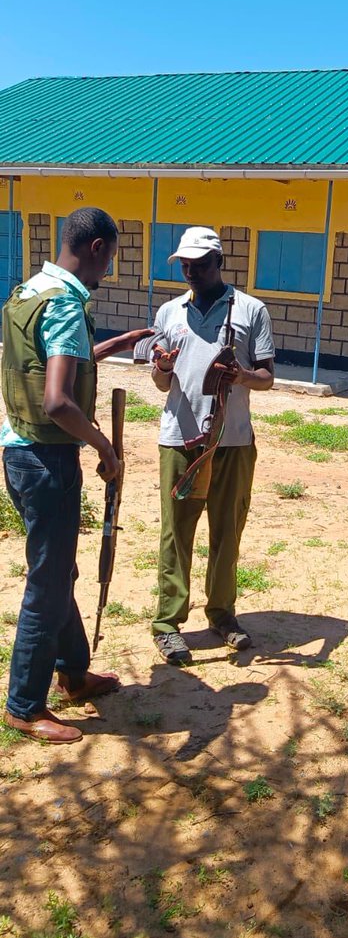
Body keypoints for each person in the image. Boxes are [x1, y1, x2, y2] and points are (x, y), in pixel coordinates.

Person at [1, 207, 153, 744]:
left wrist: (109, 346)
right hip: (48, 459)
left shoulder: (28, 290)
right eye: (109, 258)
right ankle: (24, 704)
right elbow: (58, 401)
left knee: (57, 570)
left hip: (17, 452)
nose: (106, 270)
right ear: (96, 248)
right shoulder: (65, 301)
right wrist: (106, 448)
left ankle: (73, 672)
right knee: (48, 581)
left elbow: (47, 362)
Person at [149, 226, 274, 664]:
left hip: (233, 441)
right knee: (176, 535)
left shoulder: (251, 310)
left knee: (227, 532)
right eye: (185, 264)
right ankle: (167, 623)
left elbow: (267, 377)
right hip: (179, 439)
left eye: (200, 264)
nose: (191, 271)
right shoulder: (169, 312)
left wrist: (239, 375)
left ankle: (222, 614)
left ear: (219, 262)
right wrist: (162, 367)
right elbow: (161, 379)